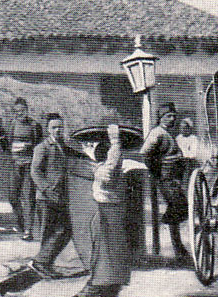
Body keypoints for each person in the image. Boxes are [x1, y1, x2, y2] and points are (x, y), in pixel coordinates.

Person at [72, 125, 131, 297]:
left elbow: (110, 166)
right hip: (107, 210)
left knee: (106, 249)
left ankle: (98, 284)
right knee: (104, 248)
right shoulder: (102, 167)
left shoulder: (108, 169)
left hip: (109, 210)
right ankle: (102, 283)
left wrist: (115, 141)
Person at [140, 102, 188, 261]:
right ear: (161, 118)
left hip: (174, 178)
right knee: (178, 206)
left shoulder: (167, 133)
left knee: (181, 207)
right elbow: (145, 153)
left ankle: (178, 247)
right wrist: (156, 171)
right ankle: (178, 247)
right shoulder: (157, 133)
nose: (172, 118)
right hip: (166, 178)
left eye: (174, 115)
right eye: (168, 116)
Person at [27, 113, 71, 279]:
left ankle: (44, 263)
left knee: (64, 230)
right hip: (46, 197)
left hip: (60, 197)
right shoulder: (42, 147)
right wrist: (46, 188)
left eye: (60, 126)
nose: (58, 130)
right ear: (48, 129)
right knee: (48, 232)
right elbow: (35, 171)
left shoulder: (63, 146)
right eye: (54, 127)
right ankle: (42, 265)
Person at [7, 97, 42, 241]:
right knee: (13, 196)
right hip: (16, 165)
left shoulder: (34, 125)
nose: (20, 113)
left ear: (27, 110)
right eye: (16, 111)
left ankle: (28, 230)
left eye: (22, 110)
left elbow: (39, 146)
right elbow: (9, 143)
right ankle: (20, 224)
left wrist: (29, 149)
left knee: (28, 197)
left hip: (29, 165)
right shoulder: (12, 124)